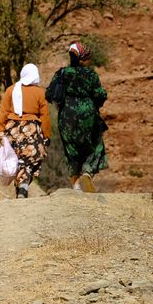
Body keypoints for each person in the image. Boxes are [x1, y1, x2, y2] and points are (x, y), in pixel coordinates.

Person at [46, 42, 108, 192]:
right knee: (95, 145)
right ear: (83, 59)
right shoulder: (91, 74)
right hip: (88, 114)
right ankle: (87, 171)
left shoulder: (61, 73)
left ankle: (75, 186)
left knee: (71, 150)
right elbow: (100, 95)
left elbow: (49, 94)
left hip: (66, 116)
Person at [0, 63, 51, 198]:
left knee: (16, 159)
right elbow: (45, 116)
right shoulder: (40, 93)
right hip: (31, 131)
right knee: (32, 159)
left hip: (12, 130)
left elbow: (3, 112)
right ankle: (23, 186)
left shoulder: (10, 90)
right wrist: (46, 135)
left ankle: (20, 186)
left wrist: (1, 131)